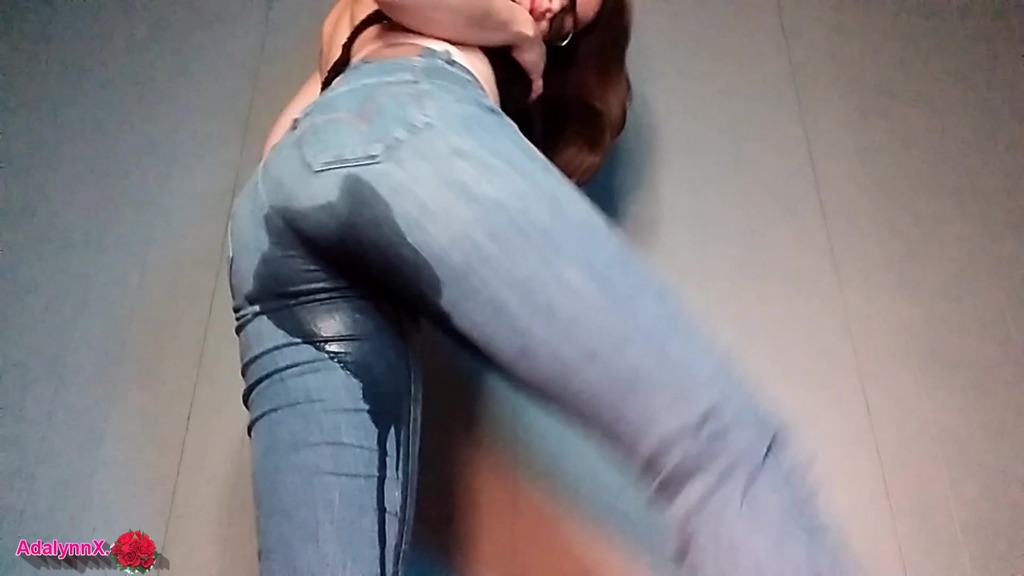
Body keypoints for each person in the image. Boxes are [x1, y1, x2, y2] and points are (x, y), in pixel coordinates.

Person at [227, 0, 855, 574]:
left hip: (270, 225)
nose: (551, 10)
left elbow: (292, 148)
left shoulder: (351, 42)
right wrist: (512, 28)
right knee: (719, 446)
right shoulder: (457, 50)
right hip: (403, 115)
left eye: (563, 25)